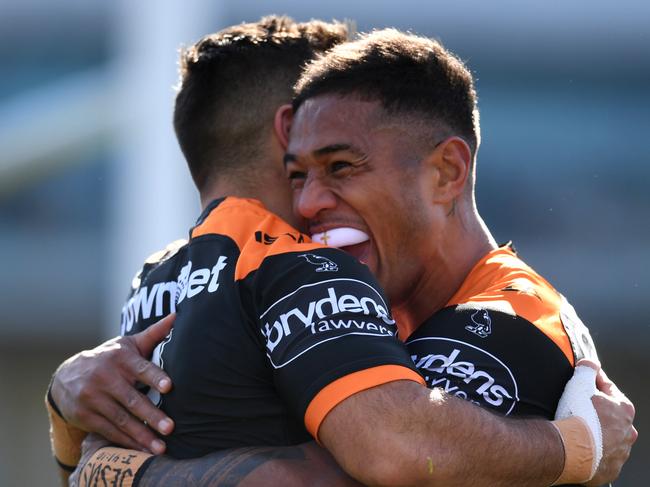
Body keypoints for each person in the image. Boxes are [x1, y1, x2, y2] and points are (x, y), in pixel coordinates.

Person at [49, 20, 636, 487]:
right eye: (297, 174)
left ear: (446, 173)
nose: (309, 204)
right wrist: (68, 402)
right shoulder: (339, 293)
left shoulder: (512, 319)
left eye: (340, 168)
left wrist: (576, 447)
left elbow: (374, 462)